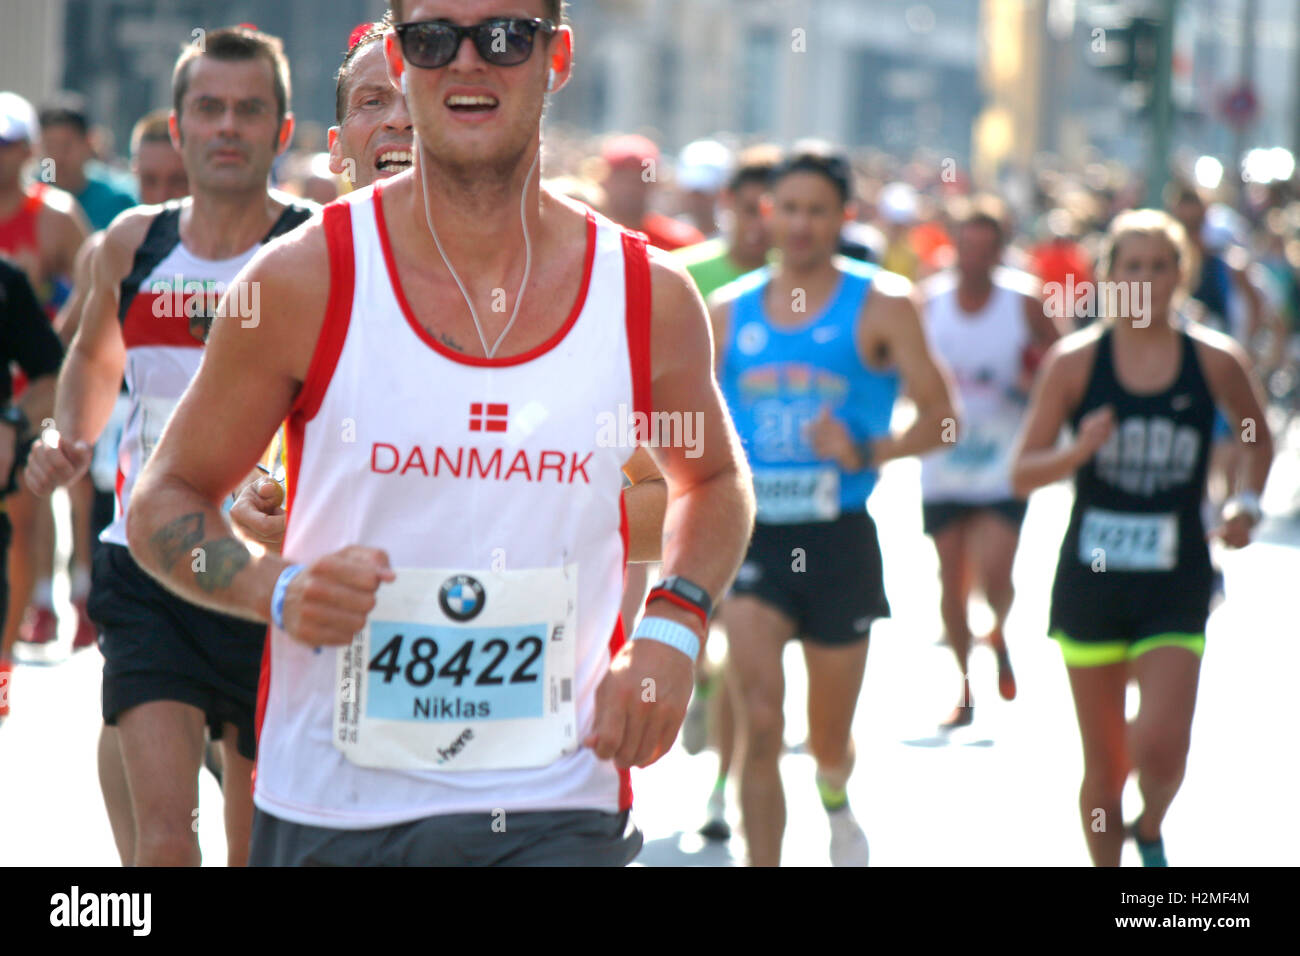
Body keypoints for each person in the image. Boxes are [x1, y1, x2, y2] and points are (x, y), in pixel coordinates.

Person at [126, 0, 754, 867]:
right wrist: (274, 589)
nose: (467, 62)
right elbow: (164, 500)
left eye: (504, 36)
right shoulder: (303, 284)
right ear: (400, 56)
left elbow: (711, 481)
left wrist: (674, 628)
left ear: (556, 54)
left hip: (557, 801)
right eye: (432, 38)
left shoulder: (647, 297)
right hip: (335, 806)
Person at [25, 25, 315, 867]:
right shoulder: (133, 245)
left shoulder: (313, 252)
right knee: (163, 835)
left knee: (255, 845)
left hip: (264, 573)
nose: (228, 126)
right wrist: (67, 440)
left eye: (249, 110)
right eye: (209, 108)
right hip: (146, 564)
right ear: (179, 124)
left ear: (280, 131)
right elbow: (91, 355)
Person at [711, 146, 957, 866]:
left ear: (843, 217)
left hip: (839, 540)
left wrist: (867, 451)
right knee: (759, 720)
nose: (800, 224)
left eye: (817, 210)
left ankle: (834, 795)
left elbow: (944, 422)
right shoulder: (728, 312)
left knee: (826, 739)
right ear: (766, 214)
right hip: (755, 539)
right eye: (788, 208)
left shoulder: (882, 303)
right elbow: (690, 427)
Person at [1010, 209, 1274, 866]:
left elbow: (1253, 434)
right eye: (1133, 266)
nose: (1148, 280)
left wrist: (1245, 502)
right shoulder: (1075, 365)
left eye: (1162, 266)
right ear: (1108, 277)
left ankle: (1150, 825)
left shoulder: (1214, 360)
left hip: (1175, 575)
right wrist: (1081, 450)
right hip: (1091, 579)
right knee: (1104, 769)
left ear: (1181, 275)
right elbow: (1021, 472)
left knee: (1160, 750)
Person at [918, 196, 1060, 728]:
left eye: (987, 247)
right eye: (967, 246)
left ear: (1002, 251)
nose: (975, 257)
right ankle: (964, 685)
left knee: (996, 573)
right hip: (944, 461)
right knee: (949, 577)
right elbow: (901, 365)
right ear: (953, 246)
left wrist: (1033, 381)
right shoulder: (927, 302)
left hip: (1004, 458)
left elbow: (1061, 363)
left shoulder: (1023, 302)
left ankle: (997, 629)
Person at [671, 144, 778, 840]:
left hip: (779, 506)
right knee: (712, 647)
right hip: (701, 488)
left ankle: (718, 792)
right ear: (728, 206)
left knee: (749, 666)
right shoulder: (690, 277)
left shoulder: (796, 282)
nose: (761, 222)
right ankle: (698, 678)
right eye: (750, 206)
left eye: (774, 209)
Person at [0, 91, 90, 654]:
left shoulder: (53, 217)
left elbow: (96, 287)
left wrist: (52, 343)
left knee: (24, 519)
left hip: (28, 391)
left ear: (30, 149)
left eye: (9, 144)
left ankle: (36, 614)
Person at [0, 258, 64, 720]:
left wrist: (11, 420)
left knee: (22, 534)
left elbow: (50, 372)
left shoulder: (7, 281)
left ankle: (1, 673)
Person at [38, 96, 138, 231]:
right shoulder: (27, 198)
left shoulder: (118, 200)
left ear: (88, 143)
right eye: (50, 147)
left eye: (66, 146)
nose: (57, 157)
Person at [599, 133, 704, 251]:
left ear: (655, 184)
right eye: (622, 178)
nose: (630, 188)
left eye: (640, 180)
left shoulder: (680, 242)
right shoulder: (587, 238)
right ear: (604, 180)